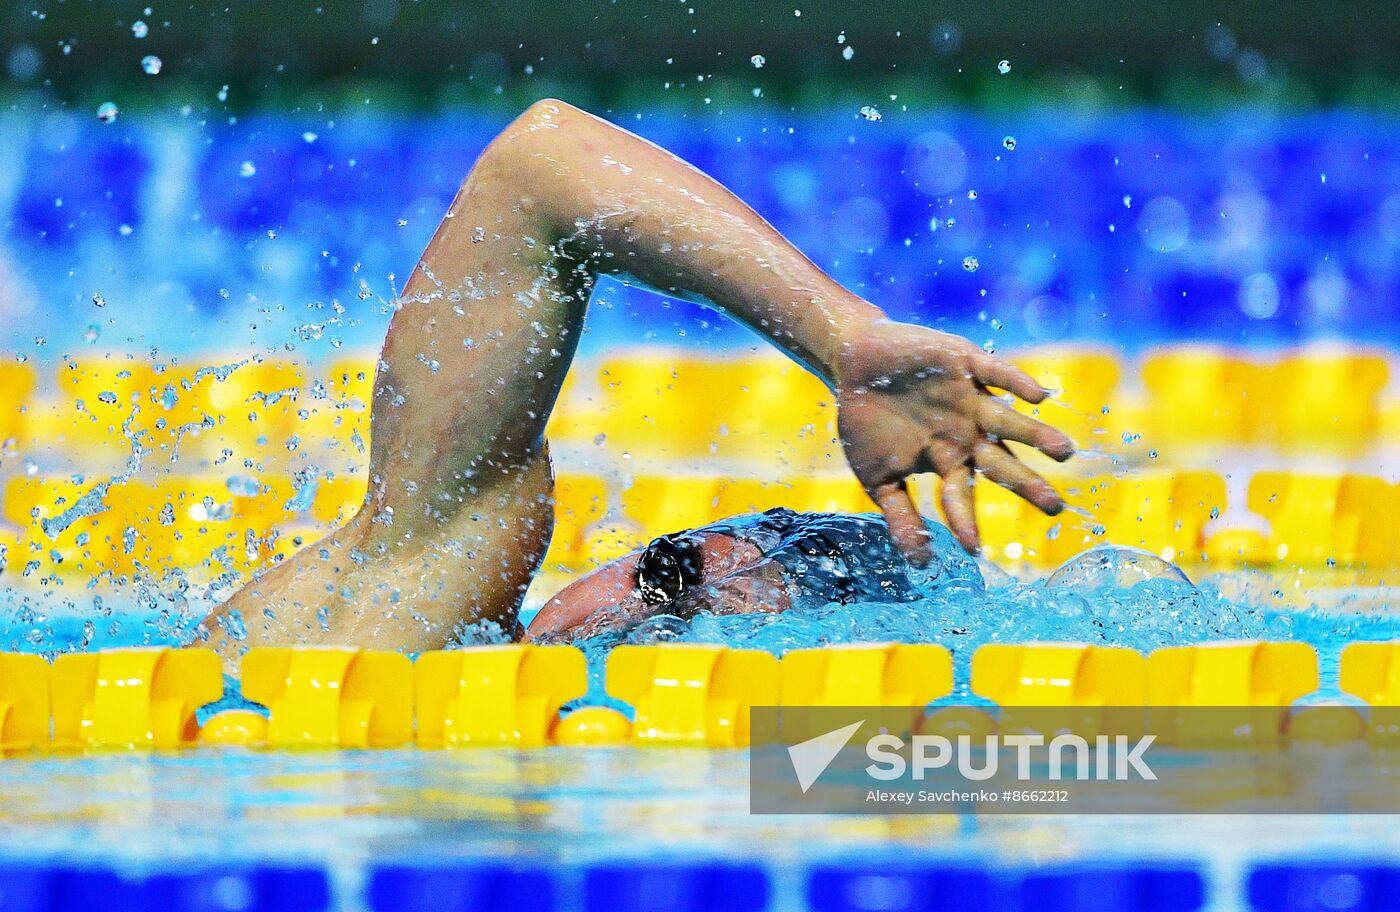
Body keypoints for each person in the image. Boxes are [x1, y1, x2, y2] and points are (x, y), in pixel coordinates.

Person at [199, 99, 1073, 662]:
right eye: (663, 574)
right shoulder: (415, 590)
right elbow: (539, 168)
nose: (643, 618)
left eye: (690, 631)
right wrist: (844, 337)